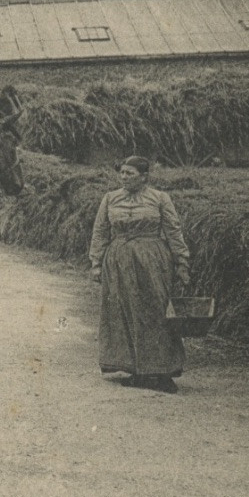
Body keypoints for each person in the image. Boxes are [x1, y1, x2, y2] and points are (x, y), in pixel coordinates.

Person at [88, 155, 191, 393]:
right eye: (122, 173)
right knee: (123, 311)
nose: (124, 178)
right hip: (118, 261)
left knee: (156, 312)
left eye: (130, 174)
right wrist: (96, 262)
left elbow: (173, 230)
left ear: (144, 177)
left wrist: (181, 261)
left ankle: (162, 371)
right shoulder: (110, 199)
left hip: (152, 260)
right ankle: (135, 370)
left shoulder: (159, 198)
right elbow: (100, 231)